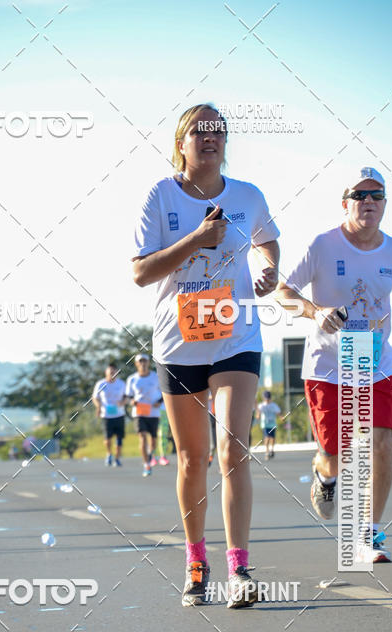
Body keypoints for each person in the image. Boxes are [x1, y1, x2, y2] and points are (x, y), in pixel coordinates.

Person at [132, 103, 280, 606]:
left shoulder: (248, 195)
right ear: (182, 142)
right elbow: (140, 273)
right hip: (180, 340)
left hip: (237, 337)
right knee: (193, 457)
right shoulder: (160, 195)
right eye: (200, 131)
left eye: (219, 131)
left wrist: (267, 271)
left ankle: (240, 568)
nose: (210, 138)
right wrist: (196, 238)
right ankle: (197, 562)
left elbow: (269, 243)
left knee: (233, 449)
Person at [276, 166, 392, 562]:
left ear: (384, 204)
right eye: (360, 195)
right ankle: (325, 477)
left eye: (376, 195)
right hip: (329, 365)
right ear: (345, 203)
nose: (369, 202)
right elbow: (284, 291)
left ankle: (368, 533)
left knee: (381, 443)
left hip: (377, 362)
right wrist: (315, 311)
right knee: (336, 452)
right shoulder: (323, 245)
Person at [125, 354, 162, 477]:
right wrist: (131, 401)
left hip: (153, 411)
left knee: (153, 440)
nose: (142, 363)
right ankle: (146, 463)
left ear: (148, 363)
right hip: (139, 411)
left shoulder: (156, 377)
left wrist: (159, 402)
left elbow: (164, 392)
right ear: (136, 364)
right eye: (140, 361)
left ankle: (150, 454)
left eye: (144, 361)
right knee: (142, 436)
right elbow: (129, 395)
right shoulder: (132, 379)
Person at [92, 363, 126, 467]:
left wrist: (123, 402)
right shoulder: (101, 384)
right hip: (106, 415)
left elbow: (127, 396)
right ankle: (109, 453)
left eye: (114, 372)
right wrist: (98, 407)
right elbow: (95, 397)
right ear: (106, 372)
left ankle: (117, 458)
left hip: (119, 414)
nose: (112, 373)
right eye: (110, 372)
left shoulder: (121, 384)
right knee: (107, 439)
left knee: (119, 438)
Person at [257, 390, 281, 459]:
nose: (267, 400)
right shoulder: (261, 405)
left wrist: (281, 417)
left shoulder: (273, 405)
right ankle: (267, 452)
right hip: (265, 424)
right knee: (267, 437)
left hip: (272, 424)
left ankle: (272, 450)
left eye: (268, 398)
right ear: (263, 398)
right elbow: (258, 413)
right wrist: (258, 416)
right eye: (266, 398)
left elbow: (278, 412)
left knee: (272, 438)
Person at [157, 401, 171, 465]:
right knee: (152, 435)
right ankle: (151, 457)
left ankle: (163, 456)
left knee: (163, 435)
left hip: (164, 410)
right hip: (150, 411)